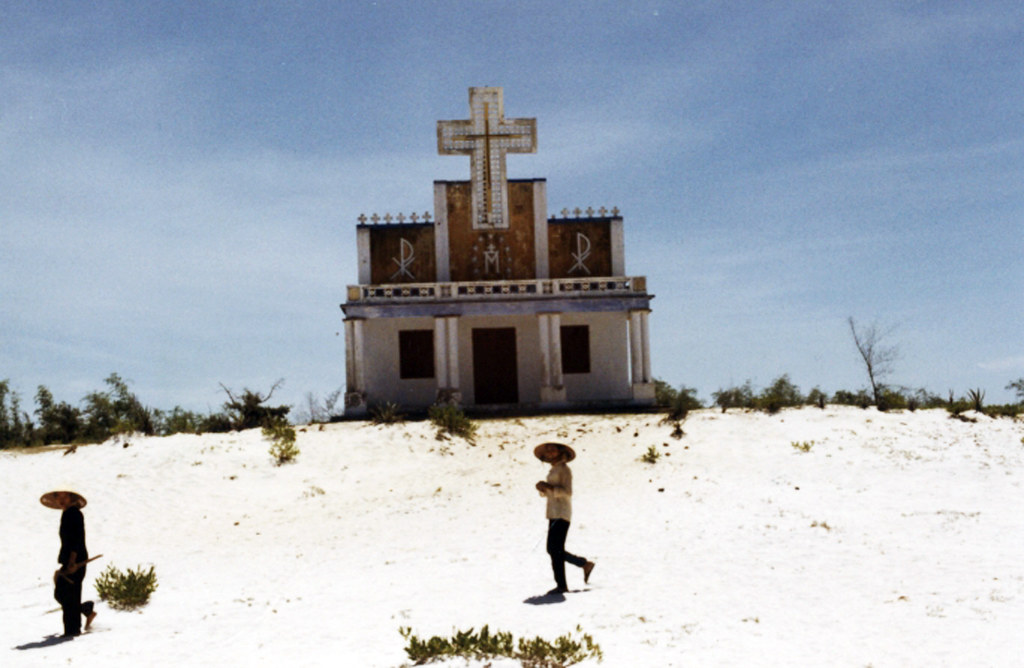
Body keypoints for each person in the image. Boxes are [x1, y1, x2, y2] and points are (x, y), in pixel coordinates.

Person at [534, 442, 594, 594]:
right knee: (554, 549)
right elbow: (551, 492)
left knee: (554, 549)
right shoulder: (554, 470)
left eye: (553, 450)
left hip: (562, 512)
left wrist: (548, 488)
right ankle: (582, 566)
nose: (550, 453)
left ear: (560, 452)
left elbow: (567, 492)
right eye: (548, 451)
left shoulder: (565, 470)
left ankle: (565, 582)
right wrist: (543, 489)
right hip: (554, 512)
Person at [41, 490, 96, 637]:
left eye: (64, 496)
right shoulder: (67, 514)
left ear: (71, 498)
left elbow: (77, 539)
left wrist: (72, 561)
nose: (61, 500)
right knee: (63, 593)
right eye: (58, 497)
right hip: (70, 558)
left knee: (67, 593)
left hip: (76, 558)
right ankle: (85, 610)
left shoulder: (74, 514)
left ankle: (73, 630)